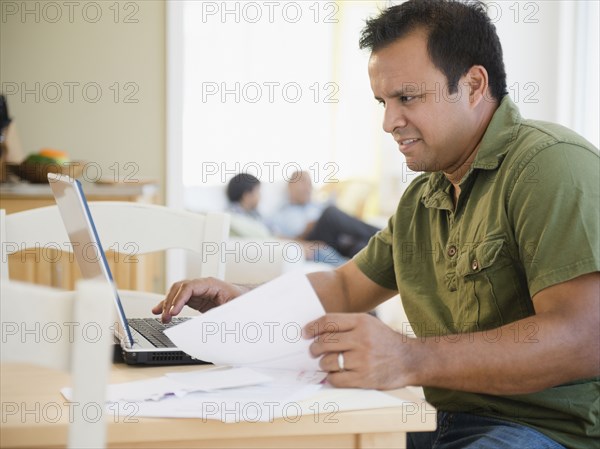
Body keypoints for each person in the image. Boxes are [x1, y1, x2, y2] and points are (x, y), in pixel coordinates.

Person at [154, 1, 599, 448]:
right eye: (383, 102)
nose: (389, 122)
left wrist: (409, 356)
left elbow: (584, 337)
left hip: (541, 432)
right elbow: (346, 289)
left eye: (407, 97)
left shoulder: (550, 166)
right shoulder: (423, 198)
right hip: (437, 420)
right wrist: (246, 305)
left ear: (473, 85)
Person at [224, 172, 347, 265]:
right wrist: (299, 246)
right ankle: (352, 272)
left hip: (282, 245)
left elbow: (275, 234)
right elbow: (266, 238)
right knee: (321, 251)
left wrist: (302, 244)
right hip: (275, 250)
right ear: (247, 195)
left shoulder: (255, 214)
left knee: (322, 248)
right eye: (258, 192)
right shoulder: (235, 217)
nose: (260, 197)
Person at [269, 170, 380, 258]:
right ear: (290, 186)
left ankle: (384, 242)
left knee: (363, 246)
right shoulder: (281, 213)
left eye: (309, 184)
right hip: (310, 240)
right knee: (329, 212)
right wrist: (303, 234)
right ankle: (383, 233)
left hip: (336, 239)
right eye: (303, 182)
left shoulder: (315, 205)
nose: (308, 188)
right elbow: (276, 238)